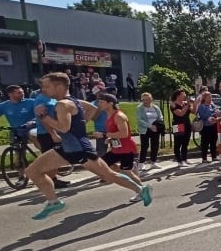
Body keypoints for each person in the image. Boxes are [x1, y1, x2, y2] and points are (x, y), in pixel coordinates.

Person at [24, 72, 151, 219]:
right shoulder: (74, 101)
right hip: (67, 147)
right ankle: (53, 202)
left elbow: (63, 128)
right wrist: (81, 123)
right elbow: (91, 109)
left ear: (58, 86)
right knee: (33, 171)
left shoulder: (63, 104)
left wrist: (44, 117)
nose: (43, 90)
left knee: (109, 175)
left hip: (79, 149)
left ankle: (142, 190)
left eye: (46, 86)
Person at [98, 93, 144, 202]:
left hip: (126, 149)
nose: (99, 104)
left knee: (128, 173)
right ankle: (122, 170)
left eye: (101, 102)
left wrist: (105, 135)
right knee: (101, 163)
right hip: (117, 148)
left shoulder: (119, 116)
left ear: (110, 103)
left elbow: (124, 134)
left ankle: (141, 191)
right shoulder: (109, 115)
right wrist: (110, 139)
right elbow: (116, 133)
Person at [32, 77, 70, 189]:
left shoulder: (51, 98)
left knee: (55, 158)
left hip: (55, 130)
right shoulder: (41, 99)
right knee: (51, 159)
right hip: (46, 133)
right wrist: (53, 133)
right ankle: (47, 182)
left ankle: (54, 179)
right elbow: (42, 119)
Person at [136, 92, 163, 171]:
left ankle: (153, 162)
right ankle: (141, 163)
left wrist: (156, 125)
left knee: (155, 145)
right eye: (143, 100)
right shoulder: (139, 108)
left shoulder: (155, 107)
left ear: (151, 99)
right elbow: (139, 119)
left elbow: (160, 116)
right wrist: (150, 126)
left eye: (147, 100)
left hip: (155, 129)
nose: (145, 101)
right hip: (145, 129)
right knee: (145, 146)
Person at [194, 91, 219, 163]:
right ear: (204, 98)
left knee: (213, 141)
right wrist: (212, 115)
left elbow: (216, 111)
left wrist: (215, 114)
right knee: (205, 143)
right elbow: (202, 115)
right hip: (205, 127)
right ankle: (204, 158)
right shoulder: (202, 106)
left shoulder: (212, 105)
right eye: (209, 97)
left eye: (211, 97)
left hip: (213, 125)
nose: (210, 98)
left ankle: (214, 156)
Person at [170, 89, 192, 166]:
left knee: (185, 142)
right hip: (178, 125)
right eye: (183, 94)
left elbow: (193, 111)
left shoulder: (185, 103)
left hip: (187, 124)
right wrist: (187, 105)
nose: (185, 96)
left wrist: (195, 103)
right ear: (178, 96)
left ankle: (184, 159)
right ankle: (179, 160)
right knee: (178, 143)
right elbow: (181, 113)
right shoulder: (173, 104)